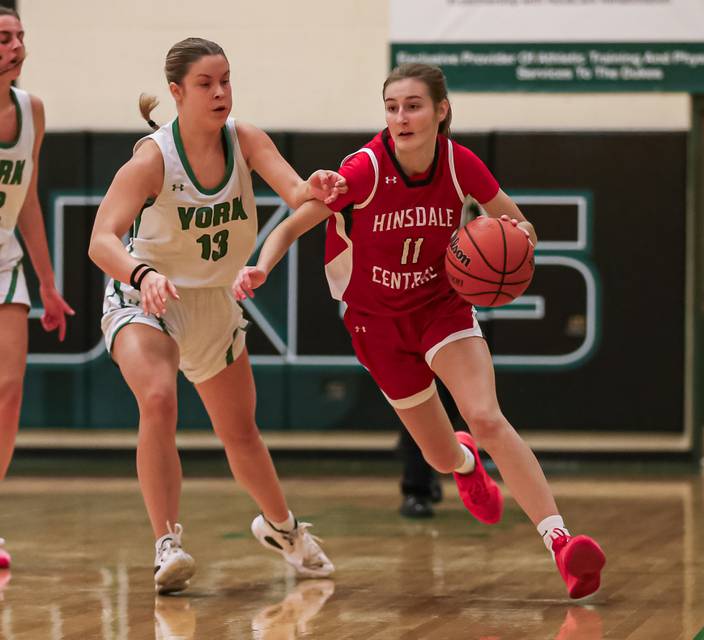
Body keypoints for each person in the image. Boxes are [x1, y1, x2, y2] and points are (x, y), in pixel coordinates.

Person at [234, 63, 606, 599]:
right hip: (375, 322)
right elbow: (292, 224)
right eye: (391, 107)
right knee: (437, 456)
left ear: (440, 110)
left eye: (412, 106)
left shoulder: (461, 166)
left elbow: (520, 223)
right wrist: (261, 267)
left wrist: (517, 239)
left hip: (442, 307)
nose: (401, 117)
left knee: (487, 417)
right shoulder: (362, 170)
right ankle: (463, 463)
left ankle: (563, 546)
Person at [88, 37, 342, 594]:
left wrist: (315, 185)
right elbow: (100, 240)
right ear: (178, 93)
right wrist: (142, 274)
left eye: (225, 80)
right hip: (147, 296)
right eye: (206, 83)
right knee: (157, 399)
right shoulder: (153, 158)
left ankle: (284, 530)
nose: (221, 92)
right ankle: (167, 545)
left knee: (241, 434)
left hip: (213, 304)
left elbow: (298, 192)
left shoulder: (245, 139)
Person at [0, 7, 75, 570]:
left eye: (20, 36)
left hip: (6, 262)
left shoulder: (33, 111)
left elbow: (26, 197)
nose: (16, 46)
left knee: (8, 393)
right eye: (4, 38)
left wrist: (48, 284)